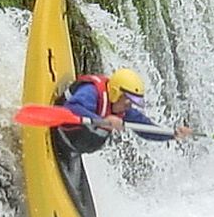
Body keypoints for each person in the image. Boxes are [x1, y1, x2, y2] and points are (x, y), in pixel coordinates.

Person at [55, 67, 191, 156]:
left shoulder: (123, 110)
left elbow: (146, 128)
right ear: (115, 93)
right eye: (128, 99)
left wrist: (172, 134)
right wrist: (103, 121)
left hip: (71, 147)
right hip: (57, 132)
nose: (129, 104)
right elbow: (71, 108)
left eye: (133, 101)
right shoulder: (91, 92)